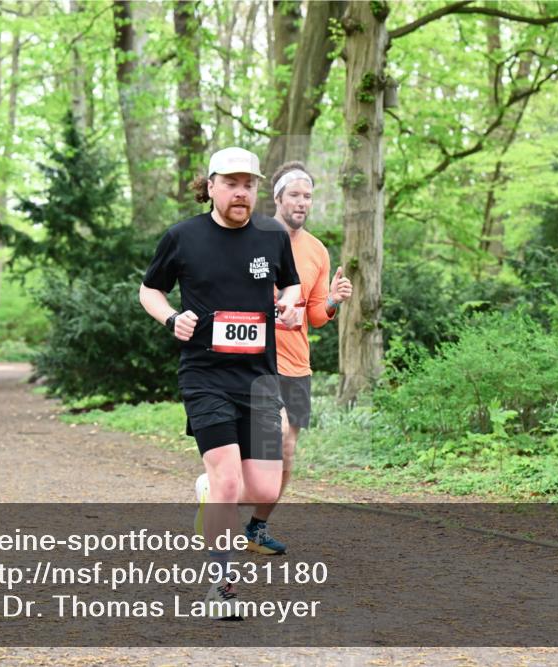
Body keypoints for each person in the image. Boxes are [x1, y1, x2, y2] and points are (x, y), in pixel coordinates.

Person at [139, 147, 301, 620]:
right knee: (229, 481)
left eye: (249, 185)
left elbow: (291, 285)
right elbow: (149, 289)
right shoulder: (182, 237)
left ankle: (211, 491)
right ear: (210, 186)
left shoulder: (272, 236)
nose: (241, 192)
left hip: (259, 380)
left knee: (265, 490)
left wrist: (289, 304)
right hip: (205, 375)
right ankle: (221, 586)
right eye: (231, 183)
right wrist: (172, 318)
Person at [244, 161, 353, 555]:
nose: (302, 202)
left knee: (287, 451)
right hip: (254, 359)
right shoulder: (251, 237)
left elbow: (317, 317)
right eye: (294, 194)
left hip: (296, 364)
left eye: (307, 196)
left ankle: (256, 527)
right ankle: (220, 496)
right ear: (278, 198)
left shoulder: (317, 250)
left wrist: (333, 301)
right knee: (267, 442)